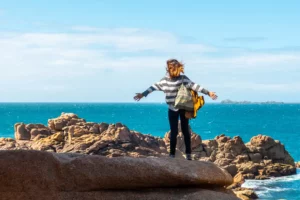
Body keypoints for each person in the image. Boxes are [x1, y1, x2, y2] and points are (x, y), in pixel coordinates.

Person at [134, 59, 218, 160]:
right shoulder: (164, 80)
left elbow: (195, 86)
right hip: (171, 108)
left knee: (185, 131)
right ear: (169, 69)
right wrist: (142, 94)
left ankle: (188, 155)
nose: (175, 70)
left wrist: (208, 93)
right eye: (173, 68)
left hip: (183, 107)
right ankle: (172, 154)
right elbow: (153, 87)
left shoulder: (183, 79)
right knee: (173, 131)